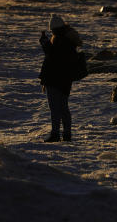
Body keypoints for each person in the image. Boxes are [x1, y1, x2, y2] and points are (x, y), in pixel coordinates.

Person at [38, 14, 83, 142]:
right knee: (63, 107)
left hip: (55, 79)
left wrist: (45, 43)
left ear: (54, 29)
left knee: (55, 108)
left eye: (52, 30)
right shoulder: (68, 39)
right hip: (65, 80)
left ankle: (55, 134)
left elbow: (53, 57)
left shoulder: (60, 40)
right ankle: (67, 134)